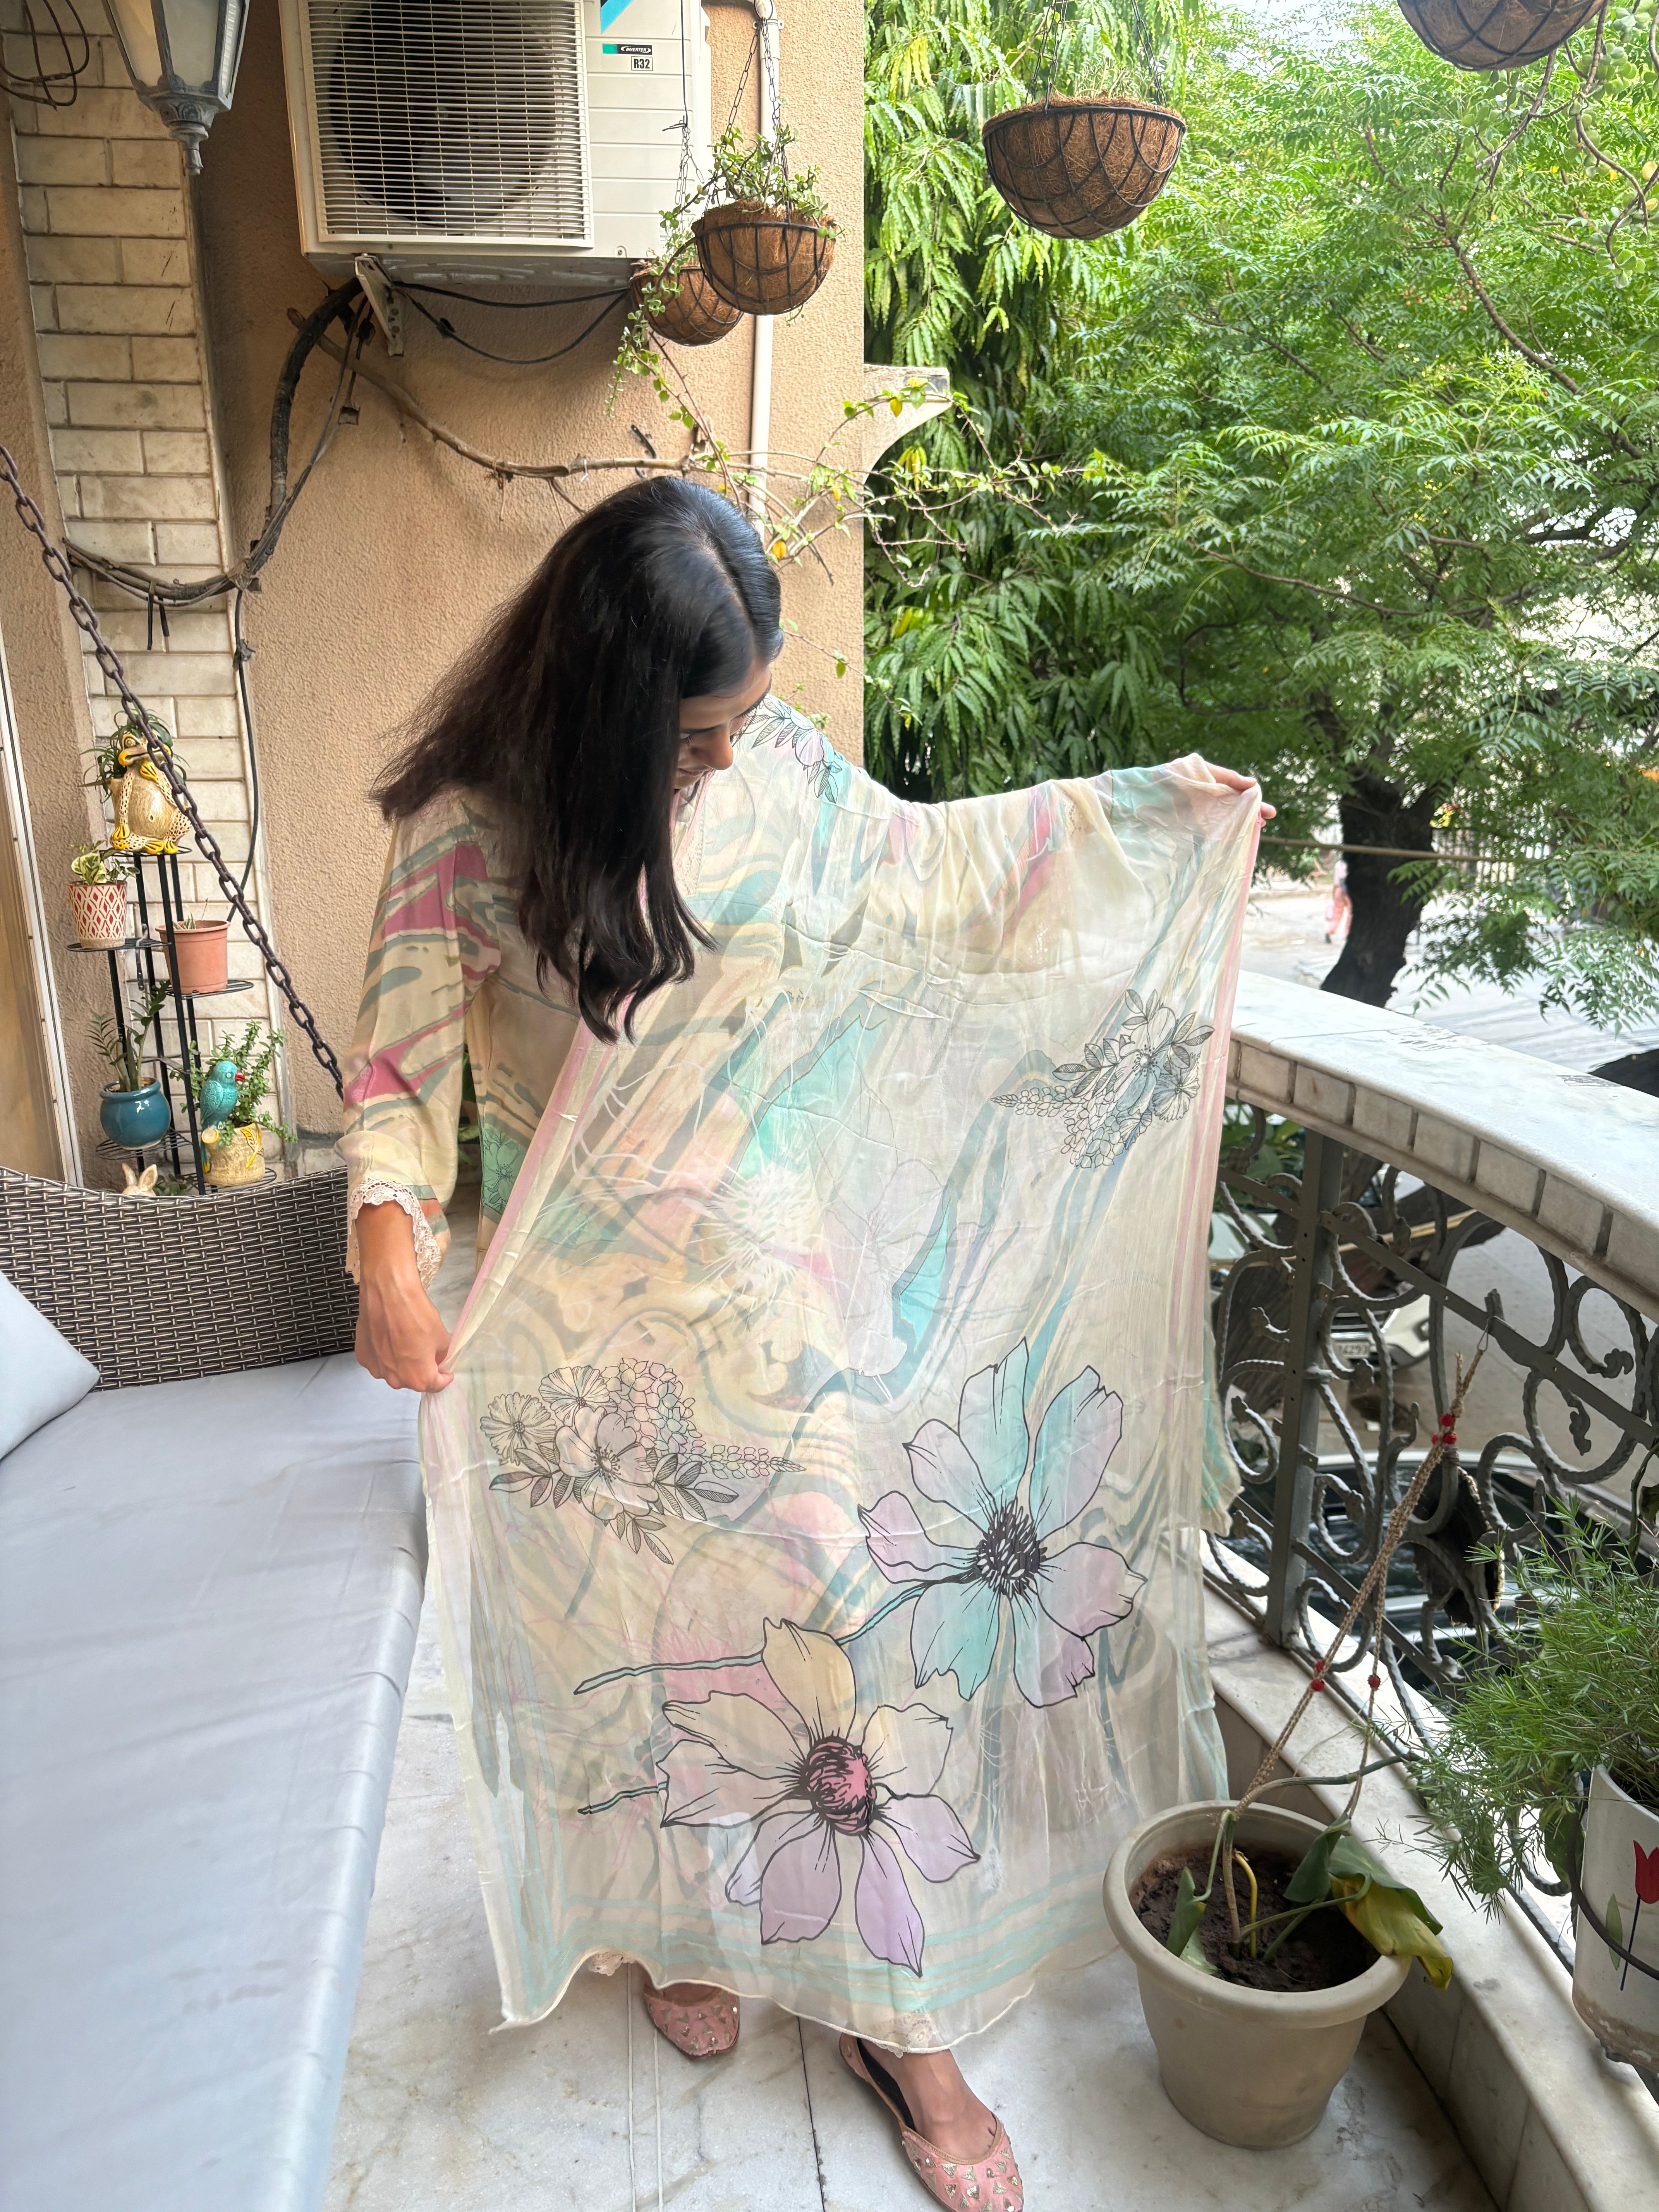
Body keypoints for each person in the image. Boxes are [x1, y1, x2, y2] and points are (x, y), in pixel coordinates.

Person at [343, 478, 1271, 2212]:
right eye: (692, 737)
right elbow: (398, 1073)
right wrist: (388, 1253)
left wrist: (1144, 815)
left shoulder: (769, 768)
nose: (727, 759)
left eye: (742, 721)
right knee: (636, 1647)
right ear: (604, 713)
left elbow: (925, 872)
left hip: (770, 1308)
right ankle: (670, 1925)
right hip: (580, 1350)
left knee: (839, 1629)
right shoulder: (470, 836)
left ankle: (903, 2032)